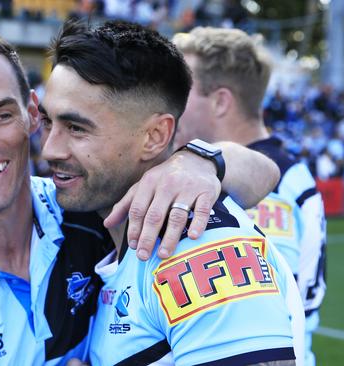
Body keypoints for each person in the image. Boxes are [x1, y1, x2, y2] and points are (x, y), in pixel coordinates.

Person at [0, 25, 280, 365]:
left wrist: (200, 161)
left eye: (1, 115)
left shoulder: (86, 207)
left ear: (30, 113)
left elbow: (266, 171)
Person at [40, 20, 304, 365]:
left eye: (76, 128)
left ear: (154, 136)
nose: (49, 149)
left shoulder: (195, 245)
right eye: (49, 122)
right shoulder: (116, 226)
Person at [173, 27, 326, 366]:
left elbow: (261, 316)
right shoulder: (288, 173)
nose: (168, 103)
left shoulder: (268, 189)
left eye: (179, 90)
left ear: (221, 101)